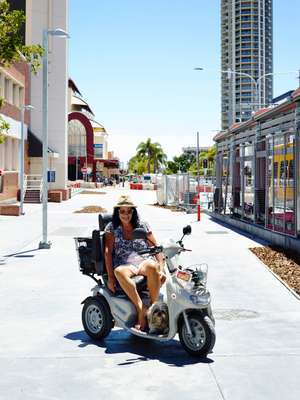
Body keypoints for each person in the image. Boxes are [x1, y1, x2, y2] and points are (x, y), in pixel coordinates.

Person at [104, 195, 165, 331]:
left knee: (153, 267)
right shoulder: (112, 227)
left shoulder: (142, 225)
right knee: (118, 272)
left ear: (133, 212)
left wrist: (161, 268)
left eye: (129, 211)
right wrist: (110, 278)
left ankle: (153, 311)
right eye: (122, 211)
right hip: (125, 263)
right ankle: (141, 309)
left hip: (143, 260)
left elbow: (155, 247)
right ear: (117, 212)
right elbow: (108, 252)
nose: (126, 215)